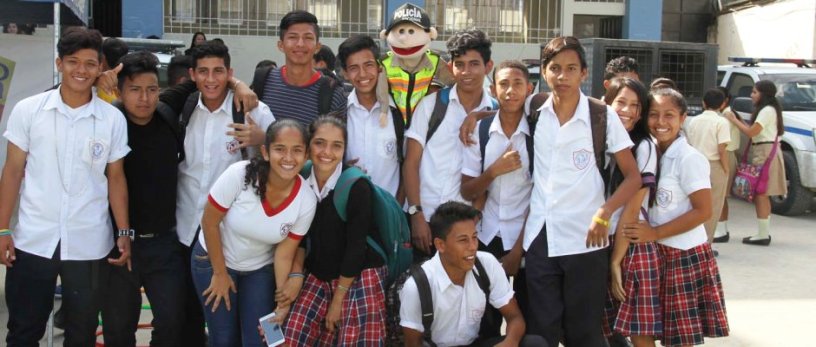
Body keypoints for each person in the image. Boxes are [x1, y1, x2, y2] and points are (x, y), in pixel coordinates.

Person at [0, 27, 132, 347]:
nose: (81, 70)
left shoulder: (111, 119)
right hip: (34, 240)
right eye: (73, 62)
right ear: (59, 64)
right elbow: (13, 170)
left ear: (100, 67)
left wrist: (124, 232)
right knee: (23, 330)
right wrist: (3, 229)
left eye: (90, 63)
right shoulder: (29, 110)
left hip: (89, 244)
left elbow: (116, 177)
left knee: (81, 332)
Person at [522, 36, 641, 347]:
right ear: (544, 72)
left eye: (571, 68)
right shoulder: (534, 108)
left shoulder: (601, 115)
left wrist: (604, 212)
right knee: (541, 332)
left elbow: (633, 178)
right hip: (541, 239)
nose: (563, 77)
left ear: (584, 74)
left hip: (587, 241)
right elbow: (502, 112)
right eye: (555, 68)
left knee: (584, 333)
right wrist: (474, 117)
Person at [176, 41, 276, 345]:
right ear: (192, 74)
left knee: (262, 333)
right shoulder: (184, 109)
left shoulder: (251, 110)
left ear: (229, 73)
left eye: (219, 71)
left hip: (248, 245)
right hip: (189, 233)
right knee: (208, 326)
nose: (211, 79)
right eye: (203, 71)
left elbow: (285, 153)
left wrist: (262, 139)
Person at [193, 119, 316, 347]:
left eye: (297, 150)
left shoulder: (307, 200)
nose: (288, 158)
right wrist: (220, 274)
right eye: (280, 149)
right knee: (224, 339)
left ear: (307, 155)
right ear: (265, 151)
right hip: (214, 261)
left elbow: (284, 254)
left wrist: (282, 304)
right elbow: (209, 223)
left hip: (260, 269)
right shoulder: (238, 175)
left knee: (265, 339)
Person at [623, 88, 729, 346]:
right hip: (652, 253)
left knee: (679, 337)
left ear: (683, 119)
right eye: (654, 115)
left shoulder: (689, 158)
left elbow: (703, 210)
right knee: (640, 327)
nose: (660, 122)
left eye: (669, 115)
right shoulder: (647, 152)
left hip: (682, 254)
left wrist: (656, 233)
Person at [101, 51, 186, 347]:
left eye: (152, 90)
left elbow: (201, 79)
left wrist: (239, 84)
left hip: (164, 243)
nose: (144, 98)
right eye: (135, 90)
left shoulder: (167, 116)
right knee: (118, 327)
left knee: (172, 322)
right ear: (120, 91)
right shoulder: (109, 122)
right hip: (119, 244)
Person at [282, 115, 388, 345]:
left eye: (336, 145)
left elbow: (356, 247)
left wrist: (338, 300)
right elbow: (297, 236)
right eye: (319, 143)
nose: (326, 152)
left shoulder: (356, 186)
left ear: (344, 150)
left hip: (359, 273)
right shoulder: (299, 178)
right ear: (308, 145)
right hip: (319, 271)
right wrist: (297, 274)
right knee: (290, 337)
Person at [398, 201, 546, 347]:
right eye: (463, 240)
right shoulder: (417, 286)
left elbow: (515, 317)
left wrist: (510, 342)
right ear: (440, 245)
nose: (473, 247)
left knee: (534, 344)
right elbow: (413, 343)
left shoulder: (487, 264)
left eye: (474, 237)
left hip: (476, 343)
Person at [404, 28, 496, 256]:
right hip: (425, 221)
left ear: (488, 66)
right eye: (460, 64)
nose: (467, 72)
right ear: (450, 67)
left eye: (474, 64)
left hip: (467, 227)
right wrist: (416, 215)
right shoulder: (431, 105)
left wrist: (475, 218)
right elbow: (411, 163)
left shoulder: (497, 113)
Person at [459, 60, 533, 332]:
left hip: (527, 238)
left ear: (529, 88)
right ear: (493, 88)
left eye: (517, 84)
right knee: (484, 320)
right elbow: (467, 190)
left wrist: (517, 250)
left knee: (528, 316)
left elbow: (542, 197)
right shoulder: (481, 132)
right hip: (487, 234)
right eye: (503, 84)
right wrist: (492, 171)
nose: (510, 91)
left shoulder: (538, 131)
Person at [603, 77, 661, 347]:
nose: (627, 110)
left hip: (631, 244)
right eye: (621, 102)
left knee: (639, 331)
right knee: (606, 326)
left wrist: (616, 260)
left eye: (635, 105)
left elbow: (632, 208)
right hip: (603, 240)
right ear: (607, 102)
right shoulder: (599, 139)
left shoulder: (644, 146)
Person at [337, 34, 402, 199]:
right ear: (345, 73)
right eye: (354, 68)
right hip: (351, 211)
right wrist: (342, 169)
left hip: (392, 211)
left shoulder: (398, 113)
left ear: (379, 67)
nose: (363, 74)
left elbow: (409, 164)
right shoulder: (339, 115)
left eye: (368, 65)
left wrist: (398, 210)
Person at [254, 10, 346, 125]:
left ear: (318, 47)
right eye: (293, 37)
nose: (300, 44)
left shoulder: (333, 94)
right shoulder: (263, 81)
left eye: (308, 38)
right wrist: (236, 84)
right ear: (281, 45)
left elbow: (333, 141)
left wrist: (263, 138)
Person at [723, 80, 786, 246]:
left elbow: (751, 132)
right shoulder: (768, 110)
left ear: (763, 94)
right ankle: (762, 232)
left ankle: (763, 234)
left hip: (765, 152)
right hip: (762, 150)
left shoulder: (766, 110)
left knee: (761, 193)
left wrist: (733, 120)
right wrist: (739, 120)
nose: (751, 95)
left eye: (754, 92)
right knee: (761, 193)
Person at [685, 88, 731, 244]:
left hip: (694, 163)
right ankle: (706, 244)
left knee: (693, 205)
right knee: (713, 206)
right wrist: (726, 169)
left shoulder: (694, 120)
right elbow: (721, 149)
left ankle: (693, 242)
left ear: (703, 103)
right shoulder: (721, 122)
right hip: (714, 165)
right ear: (723, 103)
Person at [713, 86, 740, 243]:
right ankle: (721, 229)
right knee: (721, 196)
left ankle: (721, 230)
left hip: (726, 155)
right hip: (727, 154)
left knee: (721, 195)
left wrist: (724, 167)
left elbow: (722, 145)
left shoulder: (726, 116)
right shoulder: (726, 114)